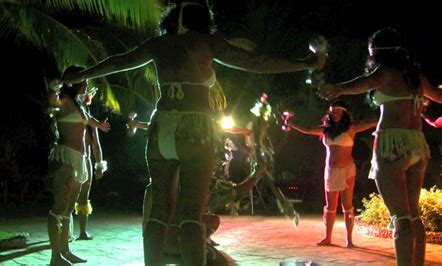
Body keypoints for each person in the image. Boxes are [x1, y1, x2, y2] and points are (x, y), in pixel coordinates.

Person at [62, 1, 325, 264]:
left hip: (161, 125)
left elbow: (120, 62)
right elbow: (254, 62)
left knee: (160, 210)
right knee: (190, 213)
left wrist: (82, 75)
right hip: (194, 129)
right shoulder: (205, 42)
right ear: (201, 20)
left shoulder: (158, 44)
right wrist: (305, 63)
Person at [317, 28, 442, 265]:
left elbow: (362, 83)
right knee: (413, 216)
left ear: (376, 51)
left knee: (401, 218)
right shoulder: (414, 76)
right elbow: (437, 95)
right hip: (417, 143)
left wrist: (338, 88)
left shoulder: (385, 73)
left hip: (392, 144)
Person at [288, 100, 377, 247]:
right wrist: (291, 123)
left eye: (338, 111)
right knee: (330, 206)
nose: (335, 114)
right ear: (330, 113)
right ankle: (328, 237)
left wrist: (389, 117)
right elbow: (308, 129)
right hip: (330, 171)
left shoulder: (351, 128)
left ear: (344, 113)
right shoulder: (325, 129)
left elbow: (372, 123)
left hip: (348, 170)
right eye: (333, 111)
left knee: (347, 205)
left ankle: (349, 240)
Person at [48, 65, 110, 266]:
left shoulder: (79, 105)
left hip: (80, 159)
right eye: (85, 80)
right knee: (59, 207)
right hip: (66, 156)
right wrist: (55, 87)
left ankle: (65, 250)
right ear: (76, 82)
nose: (87, 83)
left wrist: (99, 125)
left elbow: (87, 120)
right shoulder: (64, 100)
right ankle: (55, 256)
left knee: (67, 209)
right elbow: (51, 102)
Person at [74, 87, 108, 240]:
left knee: (83, 196)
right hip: (74, 157)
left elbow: (96, 144)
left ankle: (82, 231)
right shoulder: (72, 116)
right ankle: (67, 232)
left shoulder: (90, 122)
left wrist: (99, 164)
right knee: (70, 195)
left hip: (86, 159)